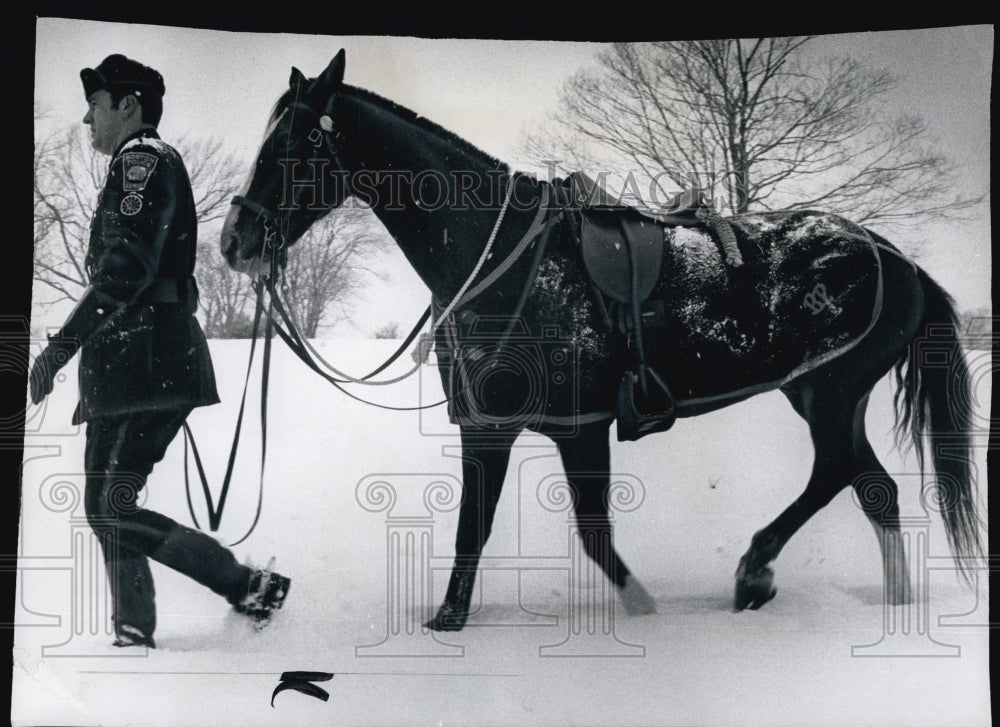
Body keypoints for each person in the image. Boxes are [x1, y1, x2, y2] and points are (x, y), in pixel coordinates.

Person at [29, 54, 290, 648]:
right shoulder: (137, 163)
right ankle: (133, 630)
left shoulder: (142, 161)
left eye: (96, 105)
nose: (88, 118)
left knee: (109, 505)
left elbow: (126, 269)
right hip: (132, 362)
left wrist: (58, 351)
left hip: (142, 360)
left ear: (129, 105)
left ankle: (247, 585)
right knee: (107, 505)